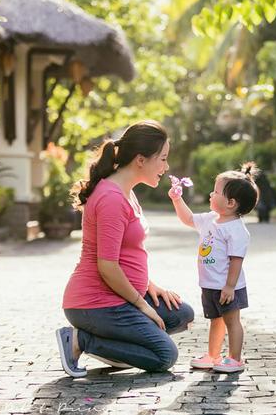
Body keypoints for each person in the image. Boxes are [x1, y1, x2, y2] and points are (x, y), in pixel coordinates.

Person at [56, 120, 195, 378]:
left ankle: (122, 345)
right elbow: (107, 266)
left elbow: (126, 254)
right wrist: (143, 306)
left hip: (120, 297)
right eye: (162, 159)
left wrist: (150, 286)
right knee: (165, 356)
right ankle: (81, 340)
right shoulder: (111, 198)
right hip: (95, 303)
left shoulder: (126, 191)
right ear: (141, 160)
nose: (166, 167)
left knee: (182, 314)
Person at [169, 162, 259, 373]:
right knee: (215, 320)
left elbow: (236, 260)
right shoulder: (210, 219)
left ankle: (235, 359)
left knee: (231, 321)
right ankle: (213, 355)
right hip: (210, 284)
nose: (211, 193)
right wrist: (177, 199)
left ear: (230, 203)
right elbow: (188, 219)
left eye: (216, 191)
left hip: (228, 287)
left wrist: (229, 286)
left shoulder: (236, 230)